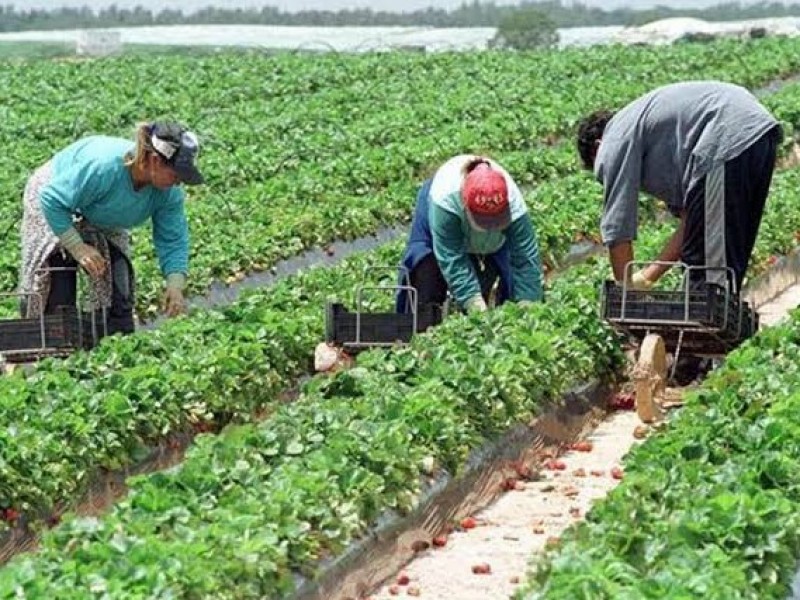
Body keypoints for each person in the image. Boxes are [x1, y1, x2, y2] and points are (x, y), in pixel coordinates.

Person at [576, 80, 781, 292]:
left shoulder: (613, 139)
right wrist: (648, 276)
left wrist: (624, 291)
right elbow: (691, 221)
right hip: (757, 133)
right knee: (725, 256)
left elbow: (617, 228)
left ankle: (706, 318)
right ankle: (715, 314)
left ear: (598, 147)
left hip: (725, 134)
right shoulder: (650, 133)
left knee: (707, 272)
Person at [19, 121, 205, 335]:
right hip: (56, 197)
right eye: (176, 175)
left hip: (103, 211)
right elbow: (52, 200)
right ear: (154, 161)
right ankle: (52, 345)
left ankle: (113, 341)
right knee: (58, 277)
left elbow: (172, 238)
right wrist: (77, 247)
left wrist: (175, 285)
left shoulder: (168, 193)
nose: (178, 182)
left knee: (117, 283)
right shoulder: (104, 167)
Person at [396, 155, 543, 316]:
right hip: (440, 218)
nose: (488, 227)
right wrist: (475, 305)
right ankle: (423, 324)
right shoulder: (445, 202)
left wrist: (528, 308)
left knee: (499, 278)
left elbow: (526, 259)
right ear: (465, 204)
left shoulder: (514, 204)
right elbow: (452, 258)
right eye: (484, 221)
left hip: (493, 239)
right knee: (426, 274)